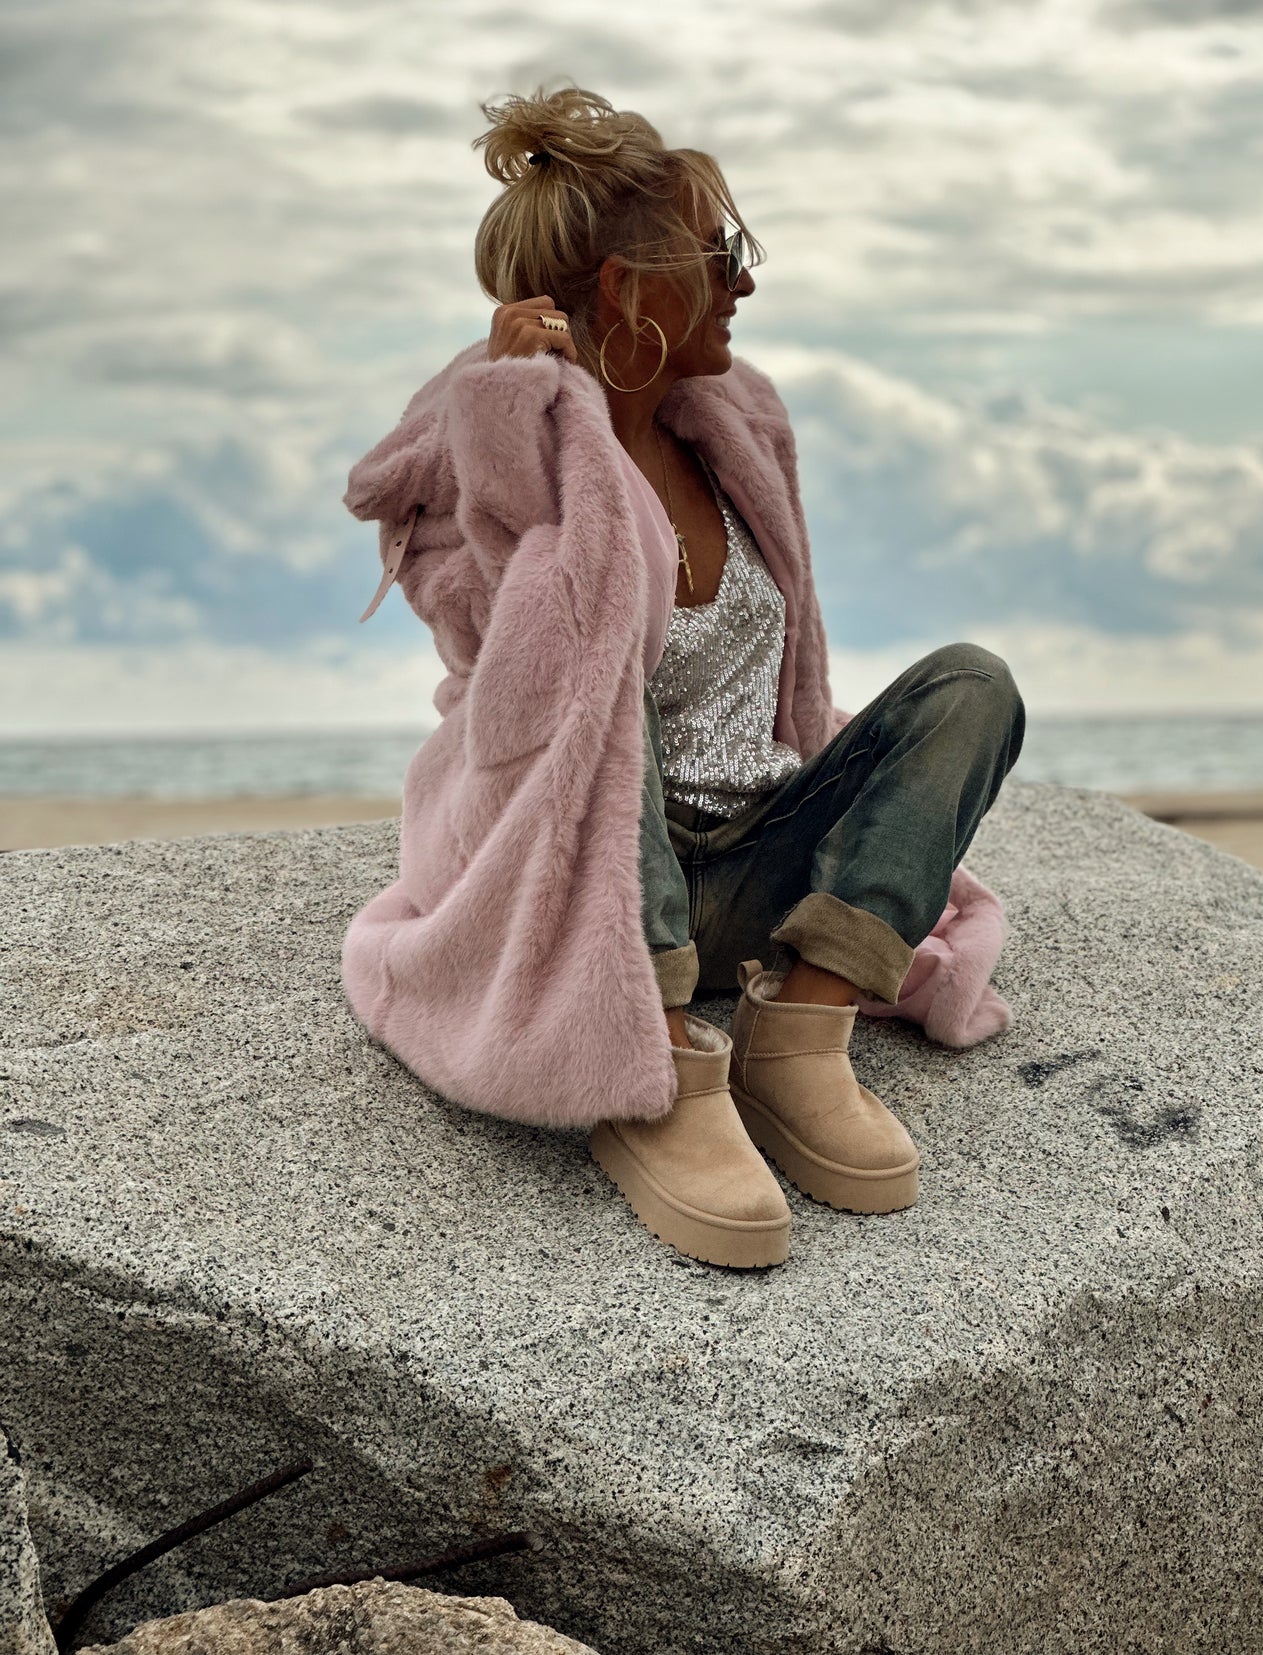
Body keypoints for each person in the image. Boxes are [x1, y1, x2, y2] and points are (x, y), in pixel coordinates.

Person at [344, 82, 1026, 1271]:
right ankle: (651, 1065)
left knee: (972, 684)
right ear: (629, 291)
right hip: (592, 892)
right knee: (599, 665)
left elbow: (784, 687)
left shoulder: (737, 428)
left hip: (761, 868)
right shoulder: (486, 448)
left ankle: (798, 1038)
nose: (745, 283)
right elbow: (508, 669)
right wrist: (522, 434)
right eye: (722, 255)